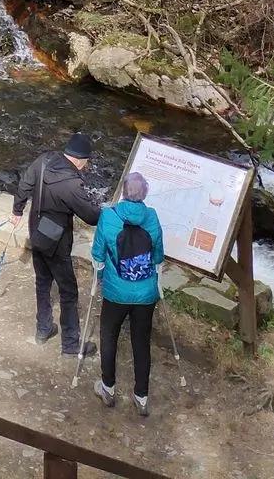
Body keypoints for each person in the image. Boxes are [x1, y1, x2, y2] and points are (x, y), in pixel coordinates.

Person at [11, 130, 103, 357]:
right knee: (68, 291)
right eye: (87, 162)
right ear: (81, 161)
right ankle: (70, 344)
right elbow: (91, 216)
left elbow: (24, 184)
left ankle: (43, 330)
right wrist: (105, 209)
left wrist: (17, 210)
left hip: (37, 232)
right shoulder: (71, 185)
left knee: (42, 283)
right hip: (57, 243)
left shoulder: (44, 160)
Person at [92, 168, 164, 416]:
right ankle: (141, 396)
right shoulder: (152, 217)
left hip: (116, 292)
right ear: (144, 194)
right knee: (141, 341)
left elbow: (97, 253)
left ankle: (108, 388)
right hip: (145, 295)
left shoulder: (108, 216)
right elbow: (158, 255)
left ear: (123, 192)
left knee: (109, 336)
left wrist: (100, 274)